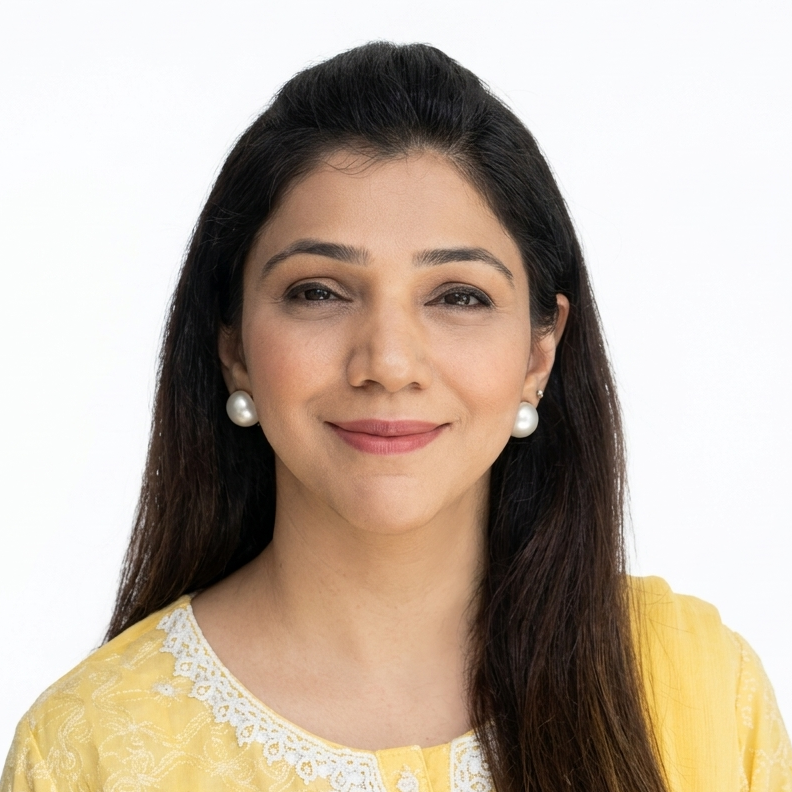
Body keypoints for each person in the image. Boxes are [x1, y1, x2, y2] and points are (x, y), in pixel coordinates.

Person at [2, 41, 789, 792]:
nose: (387, 362)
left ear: (539, 353)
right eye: (318, 292)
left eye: (458, 297)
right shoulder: (88, 747)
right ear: (234, 346)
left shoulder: (703, 690)